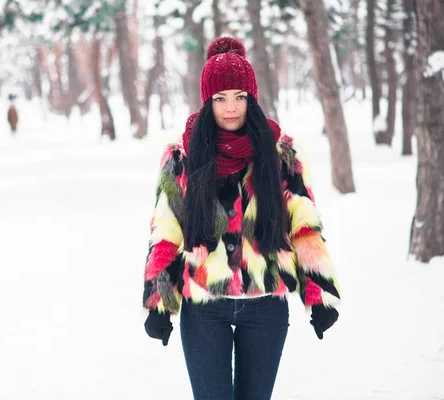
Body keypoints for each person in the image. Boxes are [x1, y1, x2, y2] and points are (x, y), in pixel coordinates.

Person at [141, 37, 340, 400]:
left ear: (252, 98)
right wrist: (159, 303)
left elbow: (304, 226)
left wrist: (319, 296)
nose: (230, 108)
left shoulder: (281, 155)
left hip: (266, 307)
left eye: (239, 97)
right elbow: (167, 230)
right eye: (220, 99)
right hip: (204, 309)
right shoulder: (182, 158)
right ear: (207, 102)